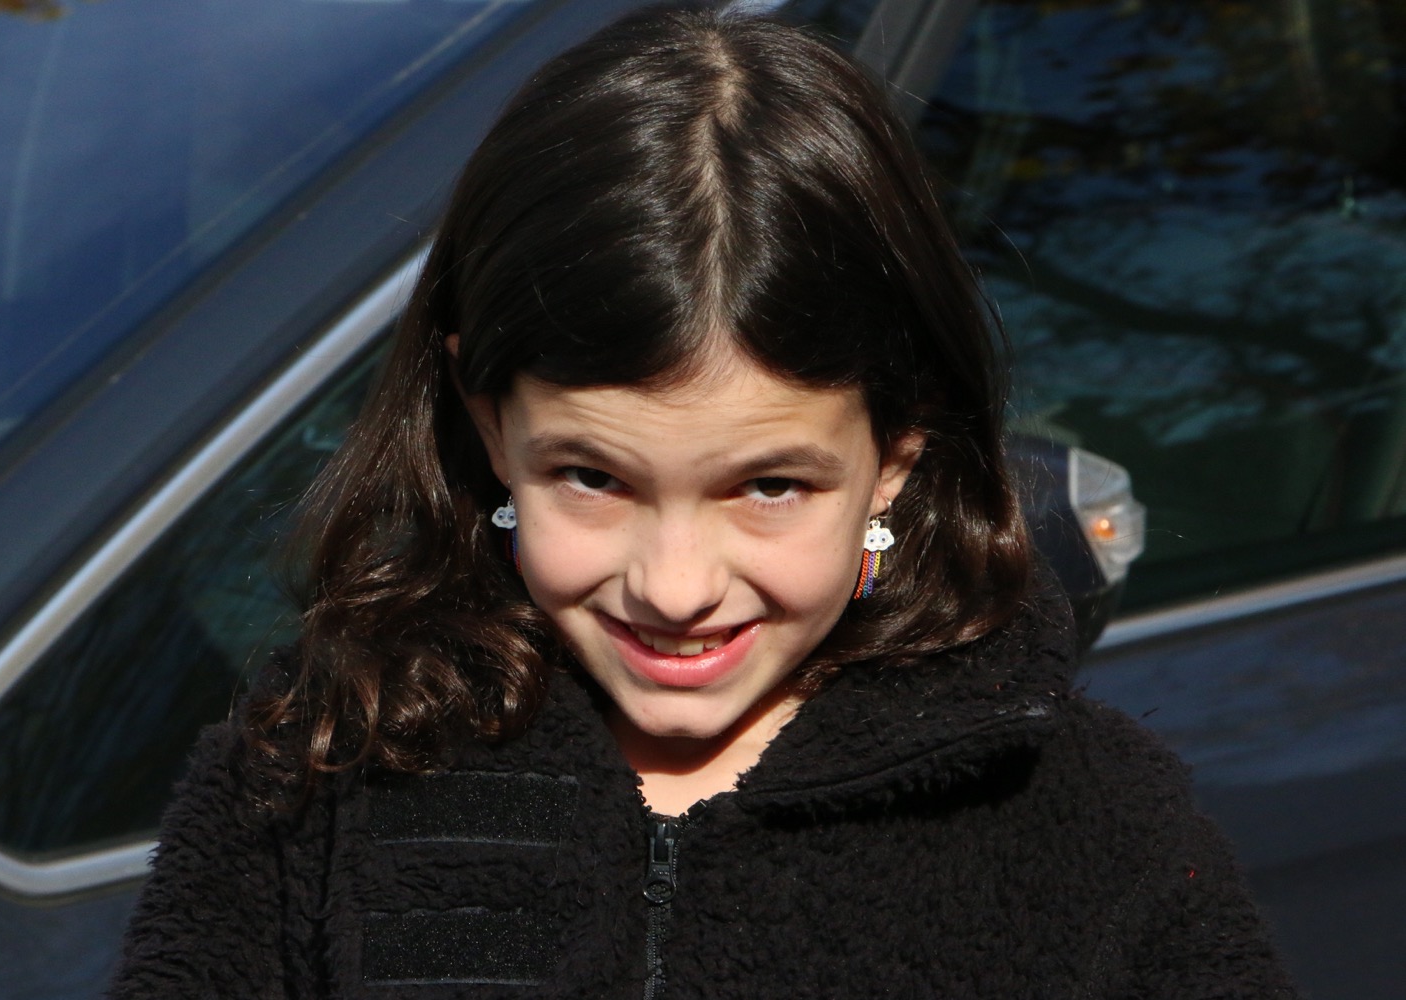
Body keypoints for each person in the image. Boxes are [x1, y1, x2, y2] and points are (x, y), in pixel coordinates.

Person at [107, 6, 1298, 998]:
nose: (675, 588)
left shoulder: (1088, 822)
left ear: (894, 452)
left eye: (770, 486)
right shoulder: (317, 769)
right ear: (488, 422)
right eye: (593, 477)